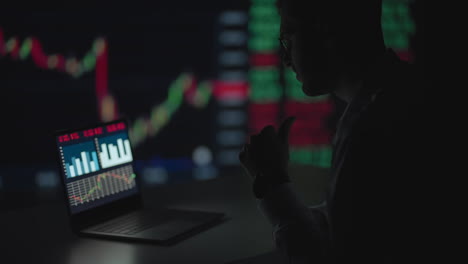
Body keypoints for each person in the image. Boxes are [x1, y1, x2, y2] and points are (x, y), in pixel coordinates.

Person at [239, 0, 424, 263]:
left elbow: (324, 257)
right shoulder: (405, 90)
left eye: (288, 37)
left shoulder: (367, 130)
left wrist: (270, 180)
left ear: (326, 31)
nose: (285, 58)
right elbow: (349, 223)